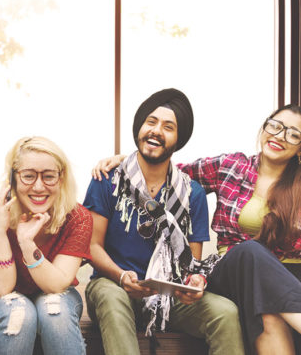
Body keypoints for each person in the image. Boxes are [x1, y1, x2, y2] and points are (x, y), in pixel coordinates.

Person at [93, 103, 301, 354]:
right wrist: (127, 161)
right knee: (251, 251)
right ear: (265, 126)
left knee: (268, 315)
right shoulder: (231, 166)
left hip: (288, 279)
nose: (279, 136)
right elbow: (167, 172)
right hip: (234, 269)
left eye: (293, 134)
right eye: (275, 126)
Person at [84, 88, 244, 355]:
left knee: (225, 312)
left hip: (167, 298)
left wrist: (194, 283)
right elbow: (92, 247)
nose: (156, 131)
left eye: (168, 127)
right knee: (111, 297)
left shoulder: (192, 193)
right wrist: (121, 276)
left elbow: (189, 266)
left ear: (178, 139)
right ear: (139, 129)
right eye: (151, 122)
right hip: (112, 284)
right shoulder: (108, 180)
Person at [0, 136, 91, 354]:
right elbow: (1, 288)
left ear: (61, 179)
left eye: (49, 176)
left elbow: (56, 285)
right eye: (29, 176)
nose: (39, 187)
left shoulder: (77, 217)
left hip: (52, 290)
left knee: (55, 313)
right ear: (13, 179)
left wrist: (26, 242)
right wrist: (0, 231)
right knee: (19, 312)